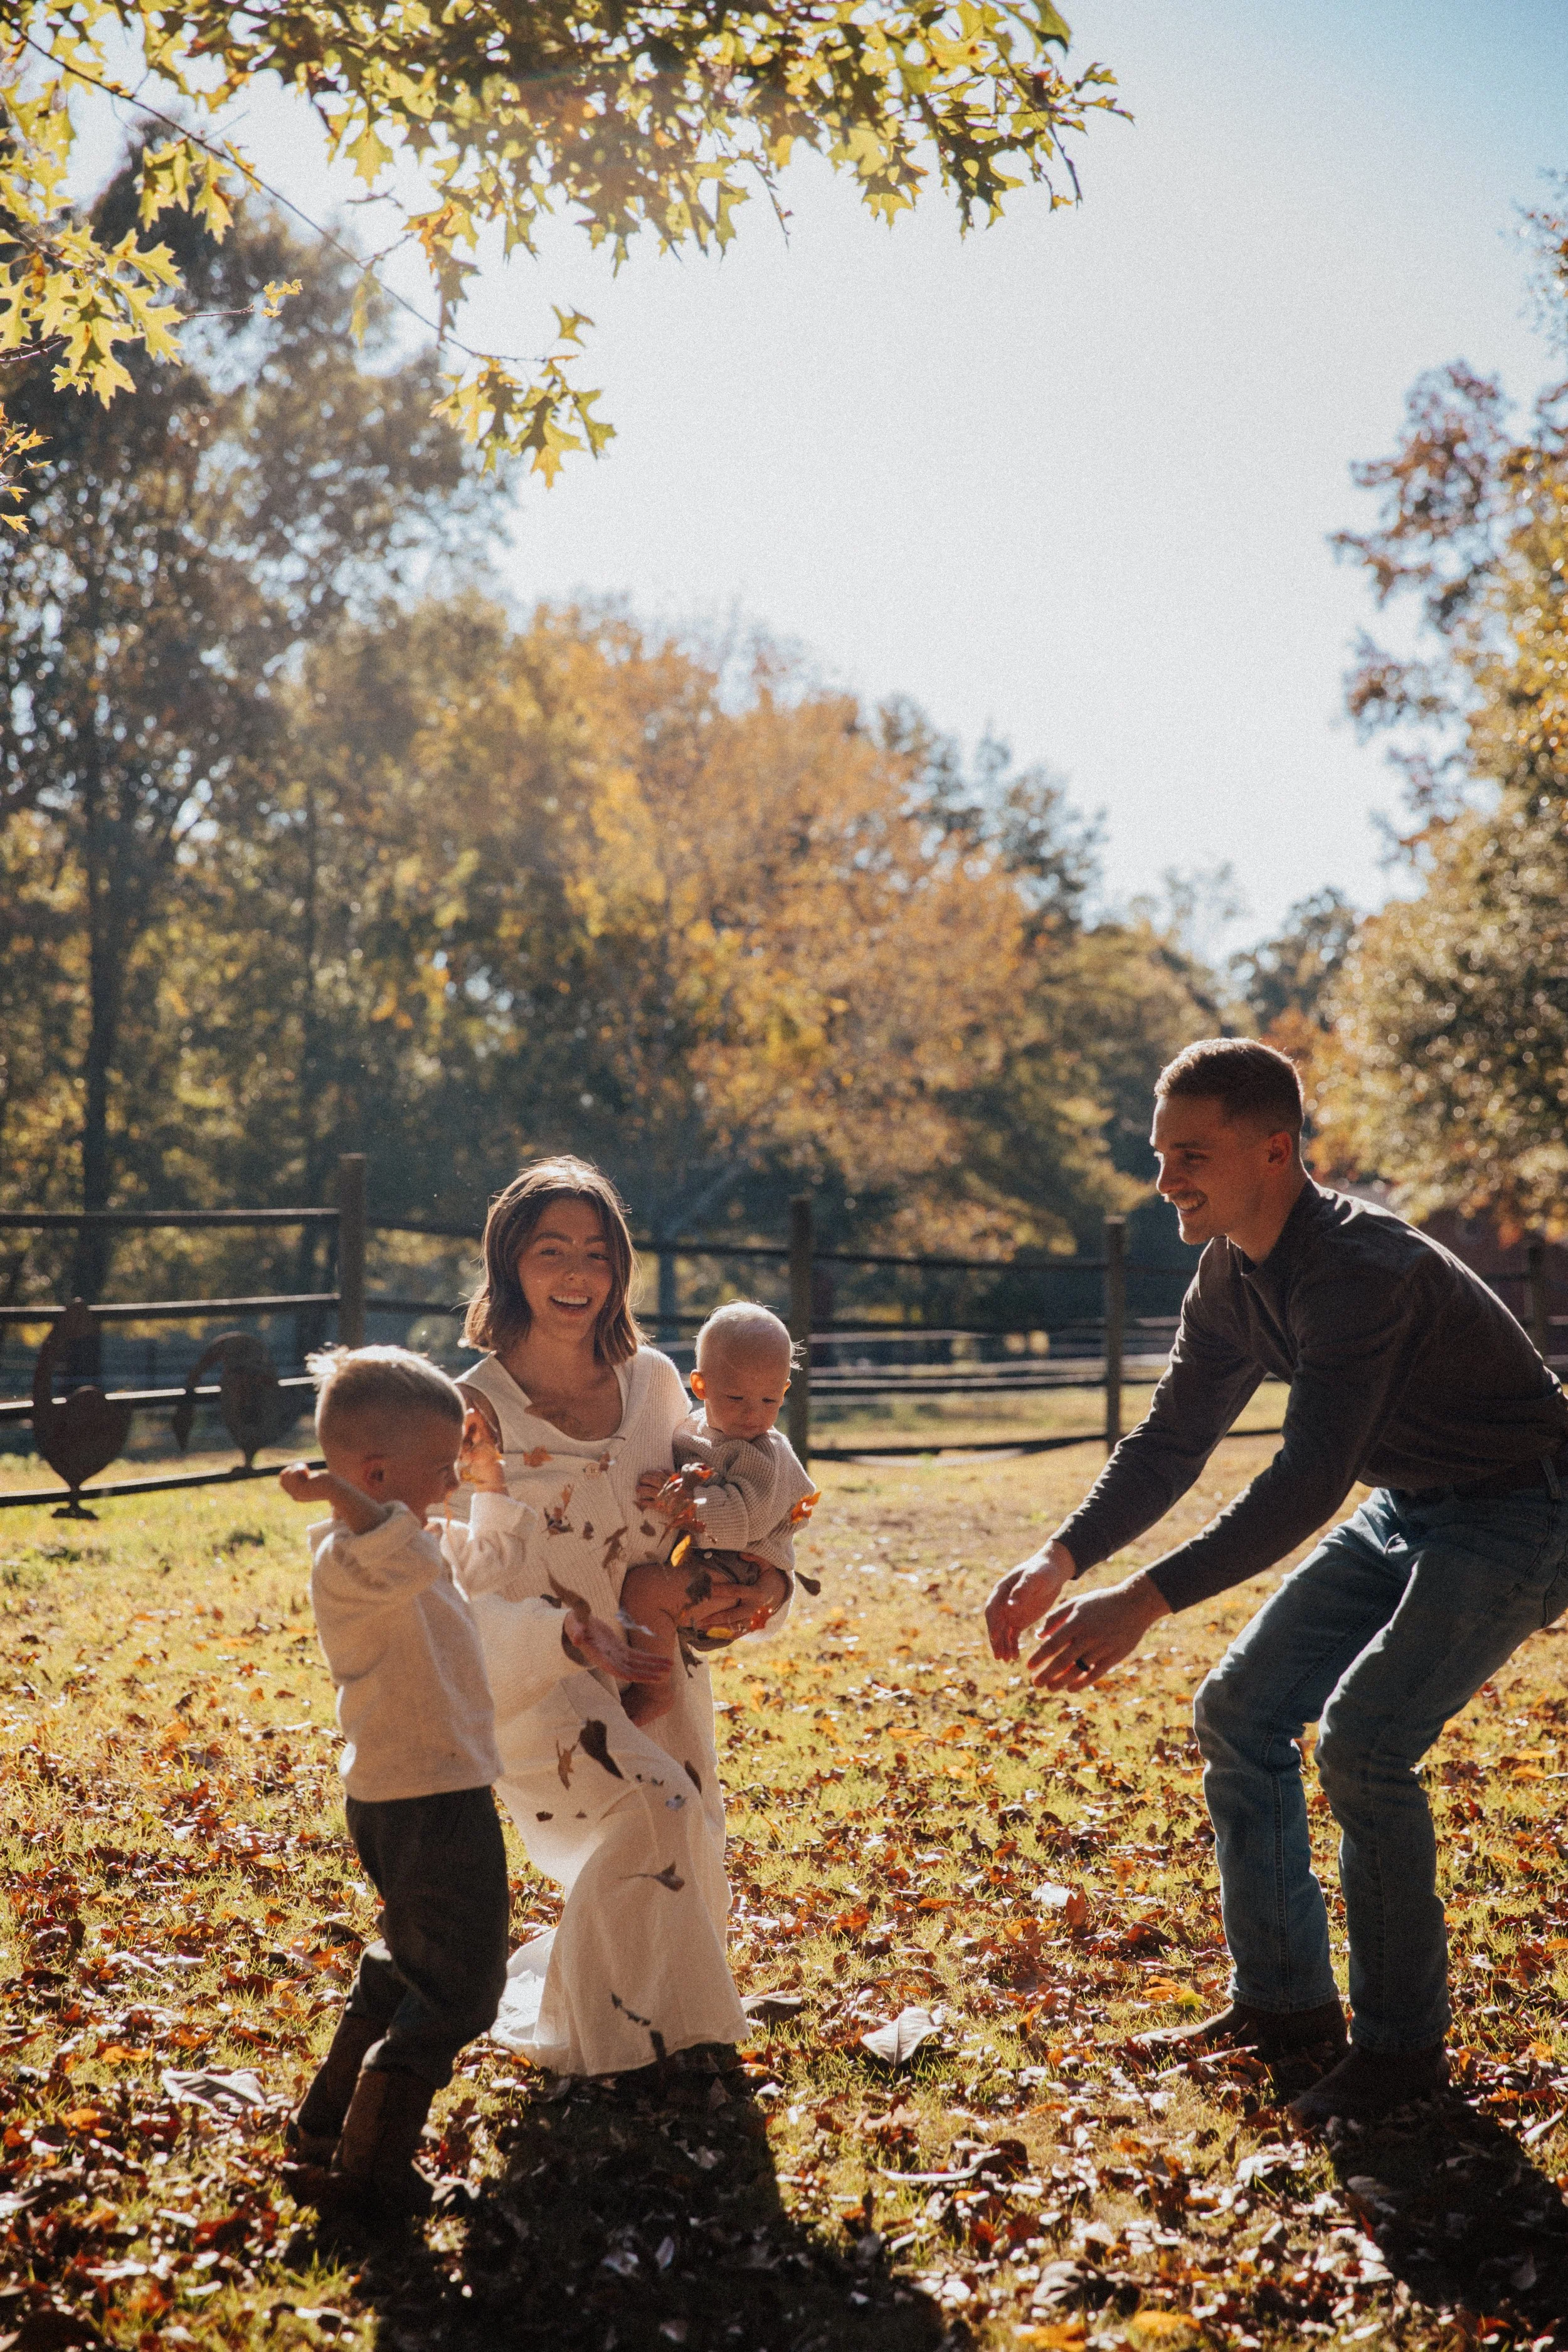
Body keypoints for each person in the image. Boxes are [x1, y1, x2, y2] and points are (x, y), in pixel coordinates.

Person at [984, 1038, 1568, 2128]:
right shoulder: (1229, 1275)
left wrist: (1144, 1601)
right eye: (1161, 1155)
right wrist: (1061, 1558)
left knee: (1365, 1743)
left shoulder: (1361, 1272)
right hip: (1411, 1503)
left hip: (1525, 1505)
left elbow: (1306, 1482)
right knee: (1241, 1711)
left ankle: (1401, 2054)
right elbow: (1171, 1439)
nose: (1167, 1181)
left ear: (1276, 1151)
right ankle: (1287, 2005)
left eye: (1191, 1155)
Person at [453, 1158, 750, 2078]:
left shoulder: (655, 1380)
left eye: (595, 1252)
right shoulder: (472, 1407)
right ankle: (605, 2044)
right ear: (510, 1263)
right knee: (649, 1808)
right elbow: (470, 1577)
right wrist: (563, 1634)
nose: (577, 1274)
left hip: (656, 1652)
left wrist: (754, 1586)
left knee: (688, 1828)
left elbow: (711, 1502)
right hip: (541, 1674)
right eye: (552, 1252)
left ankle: (676, 2023)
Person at [278, 1345, 541, 2219]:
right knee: (463, 1986)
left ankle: (325, 2121)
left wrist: (487, 1477)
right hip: (422, 1798)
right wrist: (333, 1493)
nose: (450, 1487)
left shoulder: (403, 1539)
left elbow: (484, 1556)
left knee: (414, 1957)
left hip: (432, 1788)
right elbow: (406, 1550)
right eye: (439, 1470)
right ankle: (374, 2164)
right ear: (377, 1473)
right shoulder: (354, 1566)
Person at [623, 1300, 820, 1724]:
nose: (754, 1414)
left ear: (785, 1390)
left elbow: (740, 1518)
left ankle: (655, 1690)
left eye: (770, 1399)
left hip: (739, 1568)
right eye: (736, 1397)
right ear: (700, 1385)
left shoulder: (762, 1453)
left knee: (645, 1592)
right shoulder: (695, 1429)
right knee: (648, 1594)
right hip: (709, 1561)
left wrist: (683, 1505)